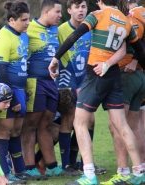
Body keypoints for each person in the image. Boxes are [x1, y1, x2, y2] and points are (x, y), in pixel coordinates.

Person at [48, 0, 145, 184]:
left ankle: (89, 175)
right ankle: (139, 172)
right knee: (122, 125)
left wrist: (55, 58)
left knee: (79, 122)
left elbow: (74, 36)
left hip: (95, 74)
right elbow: (139, 50)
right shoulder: (125, 21)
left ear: (100, 1)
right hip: (115, 75)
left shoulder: (97, 15)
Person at [56, 0, 106, 175]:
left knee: (89, 121)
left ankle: (80, 162)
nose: (81, 10)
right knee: (69, 120)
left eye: (84, 7)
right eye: (77, 7)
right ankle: (66, 165)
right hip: (66, 81)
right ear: (69, 10)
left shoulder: (91, 29)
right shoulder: (60, 30)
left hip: (86, 81)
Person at [0, 1, 30, 183]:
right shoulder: (2, 38)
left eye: (28, 19)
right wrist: (11, 100)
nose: (28, 23)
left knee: (16, 130)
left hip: (19, 89)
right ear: (12, 20)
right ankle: (5, 174)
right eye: (24, 20)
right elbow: (1, 72)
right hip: (4, 90)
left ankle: (19, 170)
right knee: (4, 130)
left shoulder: (23, 34)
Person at [101, 1, 145, 184]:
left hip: (127, 74)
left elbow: (137, 39)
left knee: (117, 125)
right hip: (139, 76)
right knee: (135, 127)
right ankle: (140, 170)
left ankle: (123, 172)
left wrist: (134, 60)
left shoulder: (134, 16)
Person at [20, 0, 64, 179]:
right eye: (58, 12)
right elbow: (10, 42)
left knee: (46, 122)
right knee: (29, 125)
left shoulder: (55, 30)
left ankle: (52, 166)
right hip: (34, 82)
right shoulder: (29, 28)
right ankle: (29, 167)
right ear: (46, 11)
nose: (61, 15)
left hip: (51, 83)